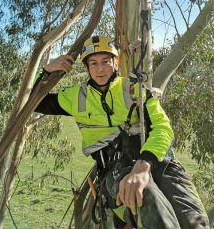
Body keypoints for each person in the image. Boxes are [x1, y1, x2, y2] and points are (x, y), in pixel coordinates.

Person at [34, 35, 210, 229]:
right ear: (87, 68)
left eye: (105, 62)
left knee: (193, 221)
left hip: (159, 161)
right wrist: (46, 71)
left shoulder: (134, 89)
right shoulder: (75, 97)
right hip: (118, 167)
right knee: (149, 202)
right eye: (93, 63)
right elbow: (33, 102)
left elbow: (163, 127)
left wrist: (143, 165)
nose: (100, 69)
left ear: (115, 64)